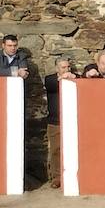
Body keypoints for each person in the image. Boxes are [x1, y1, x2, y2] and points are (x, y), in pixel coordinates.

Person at [42, 56, 75, 187]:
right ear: (57, 68)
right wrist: (62, 79)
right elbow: (52, 85)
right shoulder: (50, 79)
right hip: (55, 121)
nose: (66, 69)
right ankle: (56, 177)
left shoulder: (74, 77)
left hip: (72, 120)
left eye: (68, 67)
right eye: (63, 67)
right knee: (56, 150)